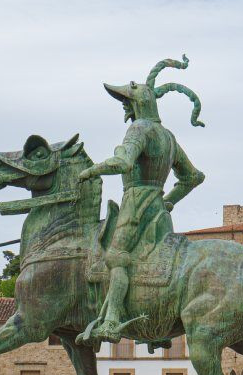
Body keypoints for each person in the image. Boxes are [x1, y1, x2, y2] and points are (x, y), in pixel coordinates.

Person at [76, 55, 204, 345]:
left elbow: (122, 162)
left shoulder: (139, 129)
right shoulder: (168, 137)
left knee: (116, 258)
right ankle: (156, 331)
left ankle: (111, 321)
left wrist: (90, 171)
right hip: (159, 209)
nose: (124, 107)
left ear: (137, 104)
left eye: (126, 102)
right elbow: (193, 177)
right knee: (153, 264)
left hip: (135, 205)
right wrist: (168, 201)